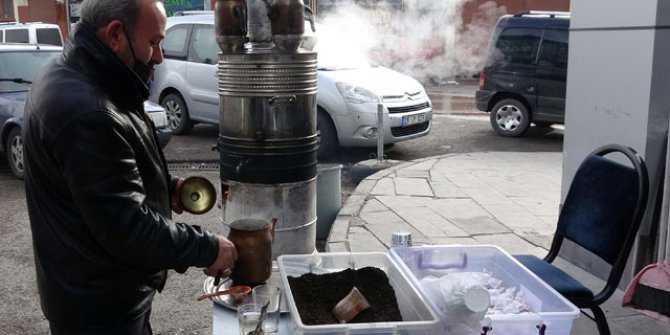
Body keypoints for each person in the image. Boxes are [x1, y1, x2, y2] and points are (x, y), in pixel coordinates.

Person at [22, 0, 237, 334]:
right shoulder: (87, 113)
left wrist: (164, 186)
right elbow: (127, 228)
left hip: (93, 292)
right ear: (115, 35)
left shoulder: (82, 74)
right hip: (98, 310)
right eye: (153, 43)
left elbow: (105, 177)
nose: (160, 56)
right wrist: (207, 247)